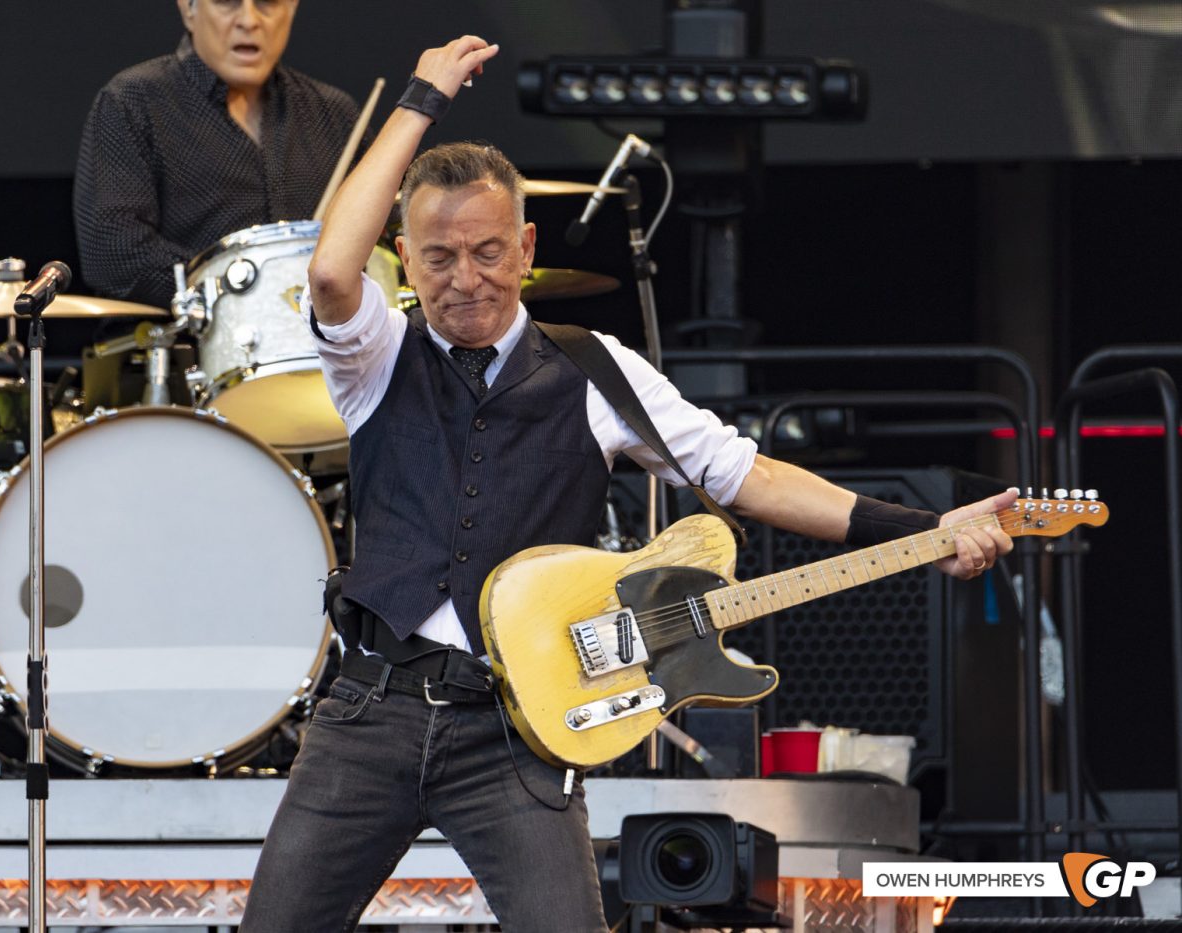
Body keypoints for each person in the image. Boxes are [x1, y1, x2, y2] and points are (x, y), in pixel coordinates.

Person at [239, 36, 1016, 933]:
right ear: (404, 260)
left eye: (488, 251)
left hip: (516, 734)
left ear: (526, 245)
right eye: (439, 258)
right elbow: (334, 269)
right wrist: (421, 98)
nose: (466, 280)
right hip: (371, 715)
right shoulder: (376, 359)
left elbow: (745, 474)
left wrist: (923, 528)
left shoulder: (596, 371)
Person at [73, 0, 361, 310]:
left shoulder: (334, 113)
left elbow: (385, 243)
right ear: (188, 9)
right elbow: (113, 254)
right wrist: (247, 288)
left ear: (291, 9)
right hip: (184, 349)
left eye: (268, 3)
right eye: (227, 3)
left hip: (325, 351)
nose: (249, 20)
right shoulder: (132, 103)